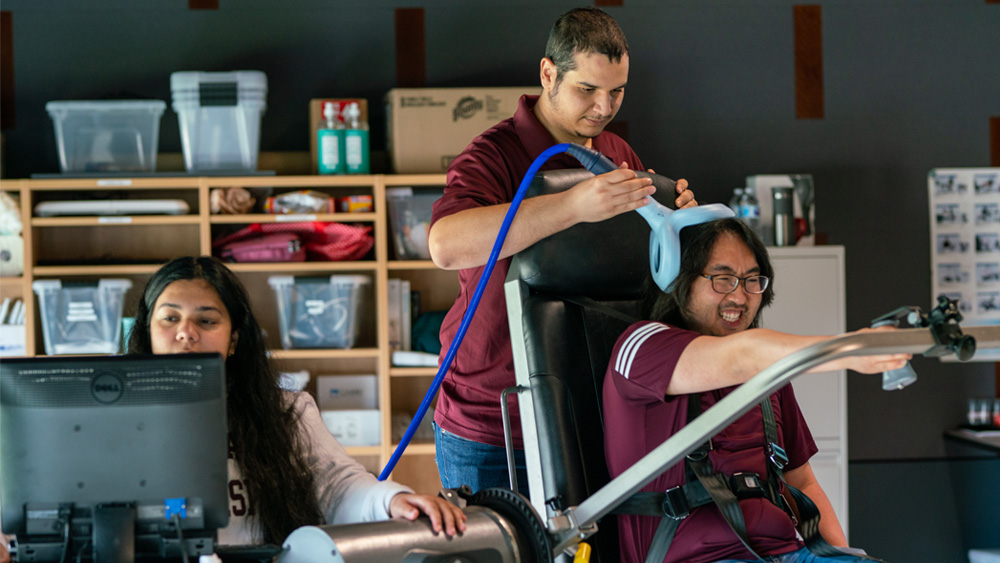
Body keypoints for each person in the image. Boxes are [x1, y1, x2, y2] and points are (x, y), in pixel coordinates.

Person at [428, 6, 697, 493]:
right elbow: (445, 245)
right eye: (587, 89)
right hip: (494, 421)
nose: (603, 107)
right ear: (548, 73)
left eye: (617, 91)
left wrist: (675, 223)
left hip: (588, 406)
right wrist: (572, 206)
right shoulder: (492, 155)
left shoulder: (617, 154)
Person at [603, 218, 909, 563]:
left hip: (788, 553)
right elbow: (741, 355)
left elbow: (802, 483)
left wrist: (842, 556)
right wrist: (848, 349)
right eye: (722, 279)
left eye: (752, 280)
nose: (739, 296)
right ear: (679, 281)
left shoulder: (764, 371)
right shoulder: (640, 347)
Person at [126, 256, 466, 546]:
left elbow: (337, 485)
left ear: (233, 340)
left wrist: (392, 499)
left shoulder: (286, 411)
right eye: (170, 318)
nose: (186, 332)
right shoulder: (116, 418)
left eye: (206, 320)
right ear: (148, 330)